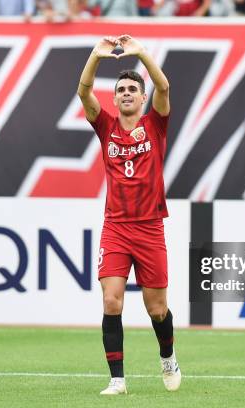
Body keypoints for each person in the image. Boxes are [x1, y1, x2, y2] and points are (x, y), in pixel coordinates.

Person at [77, 35, 181, 396]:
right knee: (111, 300)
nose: (125, 93)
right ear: (115, 97)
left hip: (150, 228)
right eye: (120, 89)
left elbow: (164, 85)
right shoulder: (105, 126)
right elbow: (83, 91)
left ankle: (167, 356)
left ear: (141, 96)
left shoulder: (156, 125)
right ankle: (117, 379)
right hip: (116, 228)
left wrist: (141, 53)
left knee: (157, 308)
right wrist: (95, 56)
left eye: (131, 89)